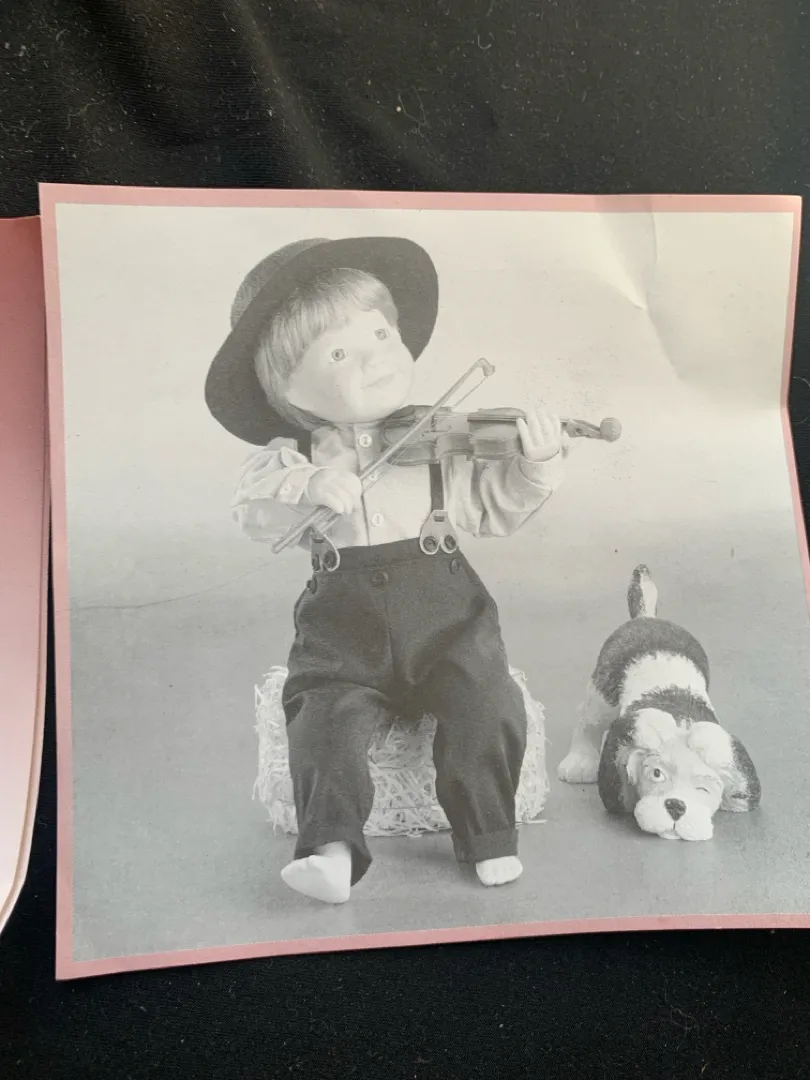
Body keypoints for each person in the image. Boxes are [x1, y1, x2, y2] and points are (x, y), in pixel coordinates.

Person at [205, 236, 566, 904]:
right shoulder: (288, 461)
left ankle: (489, 835)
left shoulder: (437, 441)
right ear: (286, 388)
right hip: (343, 635)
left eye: (380, 334)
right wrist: (310, 485)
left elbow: (493, 510)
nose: (375, 357)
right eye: (339, 354)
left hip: (447, 621)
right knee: (322, 720)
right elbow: (254, 514)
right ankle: (331, 852)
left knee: (487, 699)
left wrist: (533, 464)